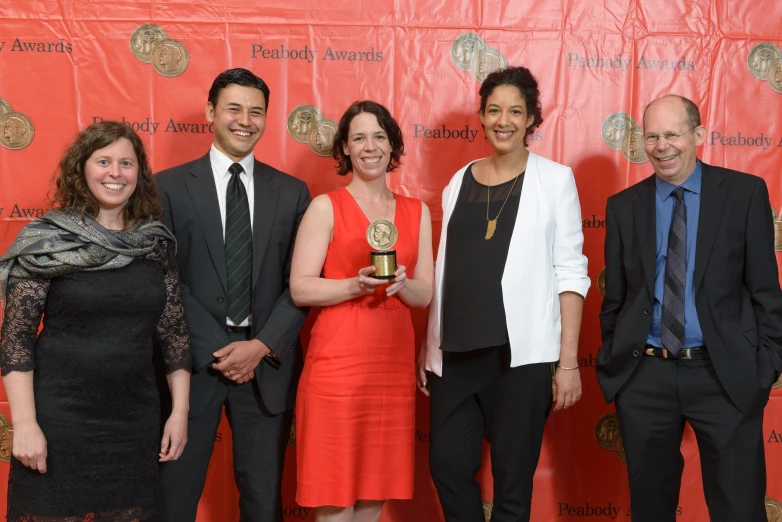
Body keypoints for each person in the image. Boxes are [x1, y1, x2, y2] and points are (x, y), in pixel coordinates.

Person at [596, 94, 782, 522]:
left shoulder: (744, 193)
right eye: (652, 136)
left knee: (740, 508)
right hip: (645, 375)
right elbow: (617, 299)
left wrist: (765, 365)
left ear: (697, 135)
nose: (662, 146)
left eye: (673, 135)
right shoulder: (623, 207)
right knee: (650, 509)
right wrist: (616, 360)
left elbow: (766, 292)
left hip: (724, 374)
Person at [419, 66, 590, 522]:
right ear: (480, 115)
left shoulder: (555, 180)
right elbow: (445, 269)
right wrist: (428, 344)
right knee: (448, 467)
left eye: (516, 111)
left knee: (513, 484)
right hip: (453, 356)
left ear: (533, 118)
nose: (504, 120)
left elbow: (570, 273)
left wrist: (567, 362)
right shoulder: (459, 181)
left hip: (520, 358)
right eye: (494, 109)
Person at [0, 120, 191, 521]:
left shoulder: (155, 244)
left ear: (139, 174)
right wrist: (26, 424)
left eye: (126, 163)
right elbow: (16, 340)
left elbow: (174, 335)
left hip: (134, 422)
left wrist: (179, 413)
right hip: (59, 419)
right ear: (82, 169)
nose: (115, 173)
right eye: (103, 161)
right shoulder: (47, 241)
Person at [154, 68, 311, 522]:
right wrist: (220, 350)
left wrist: (259, 347)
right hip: (189, 368)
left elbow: (299, 283)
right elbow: (164, 278)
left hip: (265, 369)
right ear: (211, 113)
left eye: (256, 111)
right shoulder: (167, 186)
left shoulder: (292, 192)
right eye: (234, 108)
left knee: (264, 505)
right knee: (173, 499)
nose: (246, 120)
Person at [291, 100, 433, 522]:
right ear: (345, 150)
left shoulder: (417, 211)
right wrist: (355, 285)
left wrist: (403, 285)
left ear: (392, 147)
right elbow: (300, 288)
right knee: (335, 495)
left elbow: (424, 295)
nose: (369, 146)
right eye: (358, 138)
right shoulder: (324, 207)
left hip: (390, 366)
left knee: (374, 493)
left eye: (378, 137)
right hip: (337, 366)